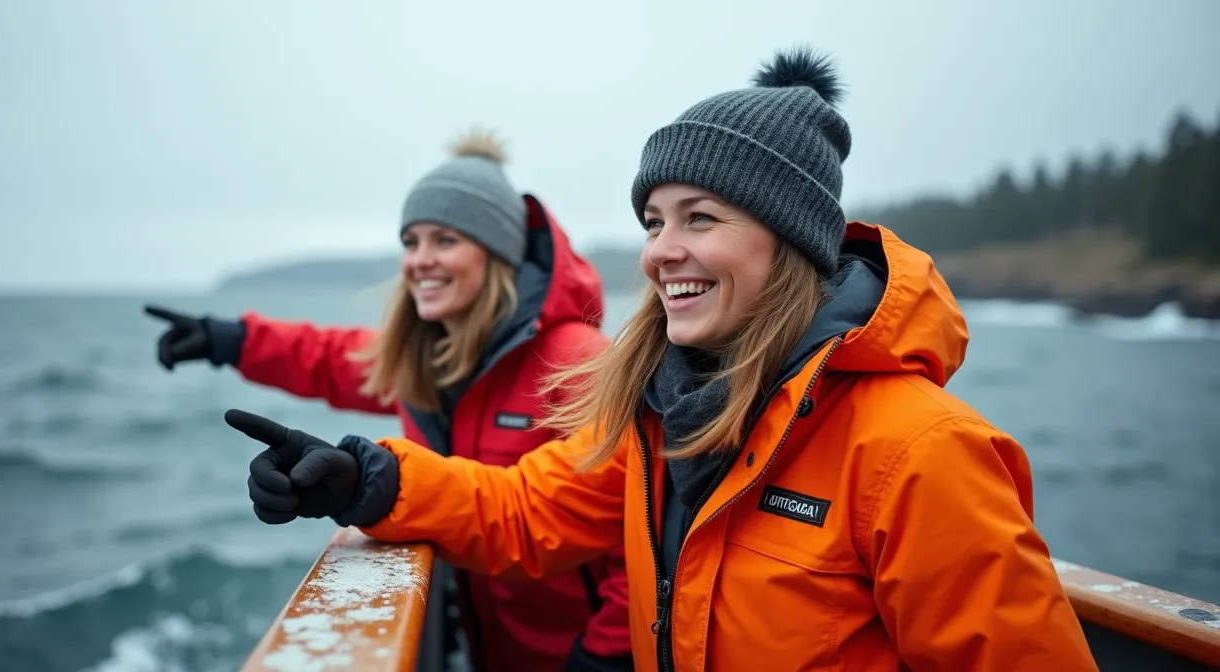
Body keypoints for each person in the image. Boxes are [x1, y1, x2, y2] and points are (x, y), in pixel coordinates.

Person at [221, 49, 1099, 671]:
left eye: (700, 218)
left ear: (789, 241)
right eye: (653, 223)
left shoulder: (917, 452)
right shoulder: (662, 418)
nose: (659, 252)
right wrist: (367, 482)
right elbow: (525, 511)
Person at [144, 131, 633, 672]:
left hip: (571, 653)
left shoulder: (577, 359)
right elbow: (331, 358)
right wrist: (231, 340)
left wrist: (608, 652)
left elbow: (637, 525)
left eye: (445, 240)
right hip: (484, 646)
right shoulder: (429, 356)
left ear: (499, 254)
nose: (419, 261)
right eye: (411, 241)